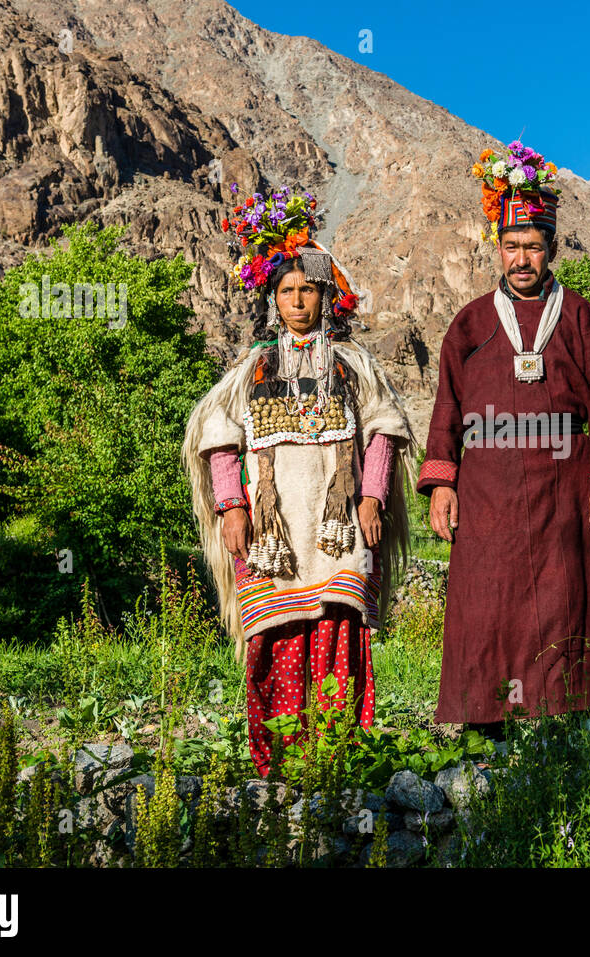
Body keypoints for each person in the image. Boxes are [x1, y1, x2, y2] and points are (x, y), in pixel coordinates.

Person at [182, 183, 417, 777]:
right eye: (286, 291)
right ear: (273, 299)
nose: (297, 301)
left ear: (324, 296)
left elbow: (384, 429)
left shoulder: (352, 365)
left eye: (307, 289)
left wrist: (372, 496)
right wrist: (232, 506)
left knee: (337, 631)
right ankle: (281, 760)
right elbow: (218, 438)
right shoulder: (250, 371)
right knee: (280, 638)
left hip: (337, 530)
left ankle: (338, 758)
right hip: (272, 532)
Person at [416, 142, 590, 738]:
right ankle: (489, 721)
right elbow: (447, 410)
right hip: (488, 486)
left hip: (567, 482)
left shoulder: (579, 318)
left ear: (551, 249)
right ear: (498, 248)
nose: (522, 258)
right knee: (490, 599)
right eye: (512, 246)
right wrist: (443, 485)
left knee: (572, 592)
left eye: (533, 247)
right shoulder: (468, 324)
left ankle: (578, 715)